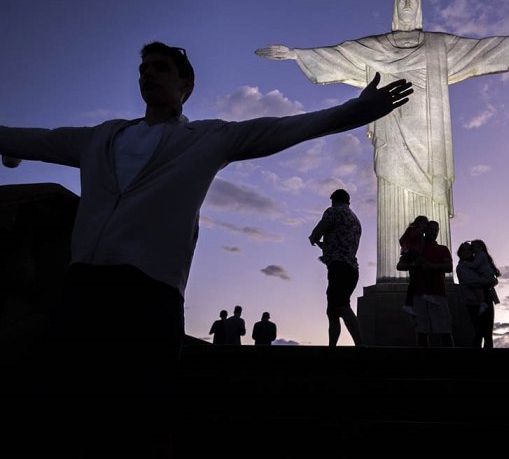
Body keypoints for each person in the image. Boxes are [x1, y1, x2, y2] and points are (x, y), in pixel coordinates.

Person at [0, 41, 412, 455]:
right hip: (83, 288)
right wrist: (12, 148)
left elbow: (283, 129)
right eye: (144, 69)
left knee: (142, 418)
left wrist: (354, 112)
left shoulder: (210, 137)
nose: (148, 74)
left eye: (160, 68)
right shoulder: (102, 137)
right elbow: (39, 140)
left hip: (150, 292)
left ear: (186, 85)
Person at [256, 0, 509, 283]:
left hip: (429, 137)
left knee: (430, 197)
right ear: (395, 9)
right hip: (391, 133)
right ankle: (393, 273)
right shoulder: (377, 47)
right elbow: (341, 55)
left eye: (412, 0)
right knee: (392, 190)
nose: (407, 5)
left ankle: (432, 272)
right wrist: (298, 54)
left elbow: (479, 50)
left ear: (419, 9)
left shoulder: (438, 45)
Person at [309, 188, 364, 347]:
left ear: (333, 200)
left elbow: (317, 233)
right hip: (352, 268)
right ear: (348, 201)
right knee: (332, 310)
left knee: (341, 305)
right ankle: (332, 346)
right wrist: (326, 248)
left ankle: (360, 345)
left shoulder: (333, 211)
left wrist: (313, 239)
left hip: (339, 267)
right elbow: (340, 242)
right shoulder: (355, 219)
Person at [397, 220, 454, 347]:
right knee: (422, 331)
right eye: (431, 229)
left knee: (444, 329)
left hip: (438, 293)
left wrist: (431, 266)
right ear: (424, 230)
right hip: (418, 294)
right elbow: (400, 265)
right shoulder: (415, 248)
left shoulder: (442, 249)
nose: (433, 232)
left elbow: (449, 266)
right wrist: (414, 264)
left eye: (436, 230)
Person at [455, 241, 498, 348]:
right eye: (463, 249)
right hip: (473, 303)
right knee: (479, 332)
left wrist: (492, 280)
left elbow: (490, 277)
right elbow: (471, 281)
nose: (466, 251)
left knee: (488, 334)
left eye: (469, 249)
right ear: (460, 253)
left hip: (487, 298)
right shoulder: (462, 267)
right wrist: (488, 281)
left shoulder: (478, 264)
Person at [398, 215, 429, 315]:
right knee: (415, 279)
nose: (425, 226)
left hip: (413, 255)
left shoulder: (420, 236)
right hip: (411, 254)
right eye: (423, 223)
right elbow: (403, 239)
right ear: (417, 223)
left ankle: (410, 303)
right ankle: (408, 304)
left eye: (425, 224)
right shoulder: (413, 230)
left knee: (415, 279)